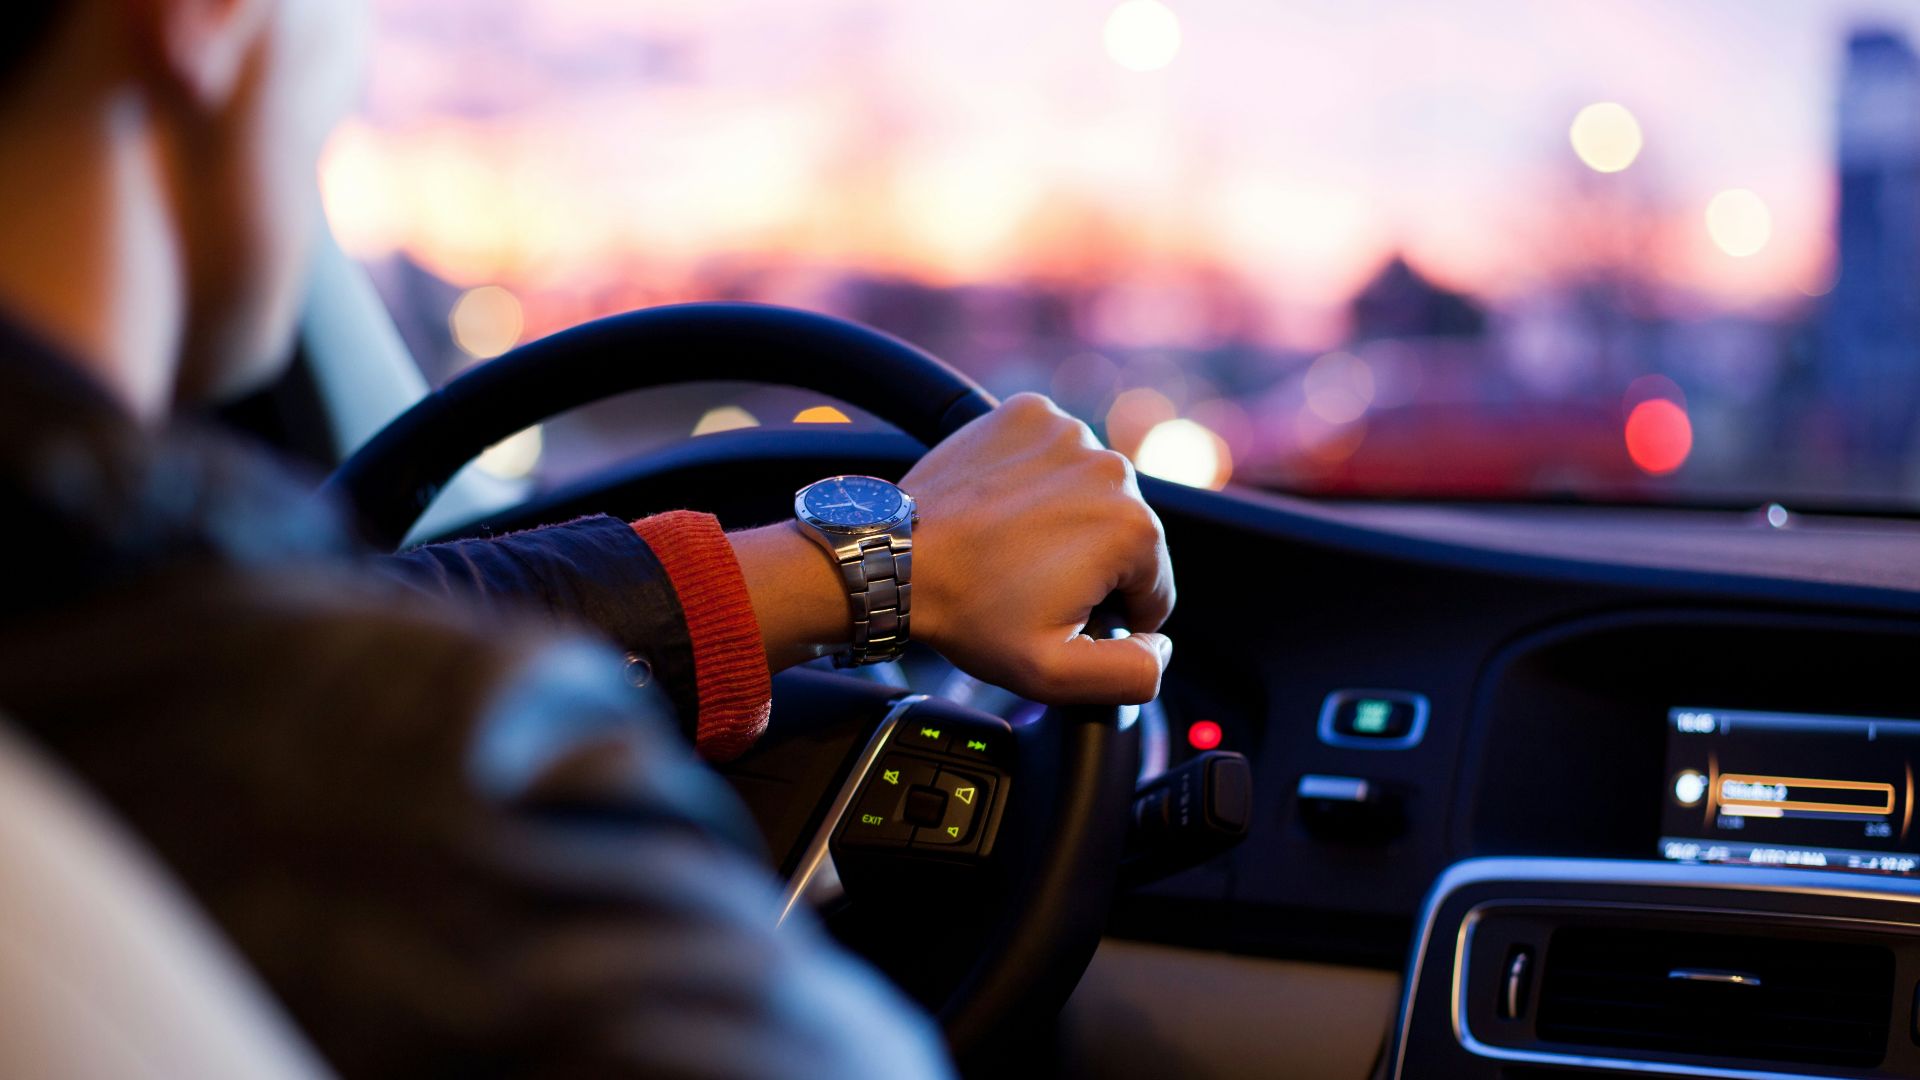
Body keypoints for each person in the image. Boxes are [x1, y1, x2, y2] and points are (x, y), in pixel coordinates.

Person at [0, 0, 1177, 1076]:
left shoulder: (118, 644)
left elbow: (317, 608)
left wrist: (849, 572)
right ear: (202, 16)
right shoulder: (421, 788)